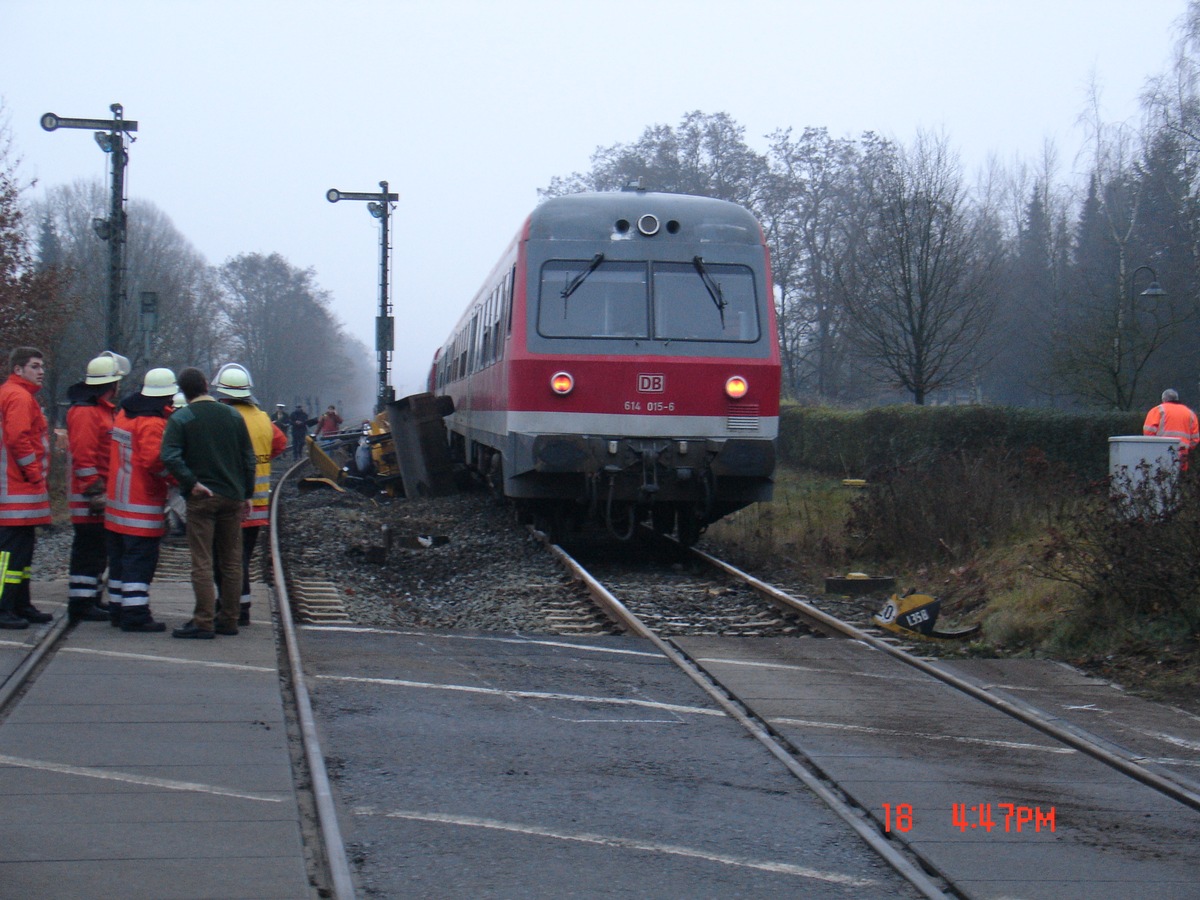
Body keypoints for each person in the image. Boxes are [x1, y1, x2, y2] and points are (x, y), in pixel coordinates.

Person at [160, 367, 255, 639]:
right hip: (232, 496)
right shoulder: (233, 415)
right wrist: (247, 493)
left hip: (202, 498)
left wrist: (190, 482)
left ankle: (203, 621)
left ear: (182, 390)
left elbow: (169, 456)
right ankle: (229, 619)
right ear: (205, 385)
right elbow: (248, 459)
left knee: (202, 560)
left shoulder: (181, 418)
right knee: (232, 561)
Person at [211, 363, 286, 625]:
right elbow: (280, 443)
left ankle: (231, 605)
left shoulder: (222, 418)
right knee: (242, 556)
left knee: (225, 557)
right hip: (258, 503)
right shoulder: (263, 418)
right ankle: (241, 606)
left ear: (223, 394)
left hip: (230, 499)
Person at [104, 368, 178, 633]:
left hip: (117, 501)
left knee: (119, 560)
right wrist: (179, 479)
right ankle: (135, 614)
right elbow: (154, 461)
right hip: (141, 503)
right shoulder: (152, 421)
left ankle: (117, 608)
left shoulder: (125, 414)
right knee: (140, 560)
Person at [64, 351, 130, 623]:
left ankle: (89, 597)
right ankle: (81, 602)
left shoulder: (98, 410)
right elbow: (84, 454)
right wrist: (93, 490)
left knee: (96, 549)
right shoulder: (87, 412)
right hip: (89, 496)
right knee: (88, 548)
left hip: (97, 493)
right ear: (111, 384)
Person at [0, 347, 53, 629]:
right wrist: (33, 474)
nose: (41, 370)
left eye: (41, 365)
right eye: (34, 366)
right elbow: (18, 438)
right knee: (10, 552)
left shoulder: (18, 395)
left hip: (17, 489)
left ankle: (19, 604)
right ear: (18, 370)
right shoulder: (19, 397)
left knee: (21, 551)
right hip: (16, 489)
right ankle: (5, 606)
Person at [1143, 388, 1200, 469]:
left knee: (1162, 478)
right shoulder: (1190, 414)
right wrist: (1186, 448)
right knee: (1180, 479)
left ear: (1163, 399)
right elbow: (1195, 439)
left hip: (1160, 455)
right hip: (1182, 455)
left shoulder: (1157, 410)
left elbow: (1148, 434)